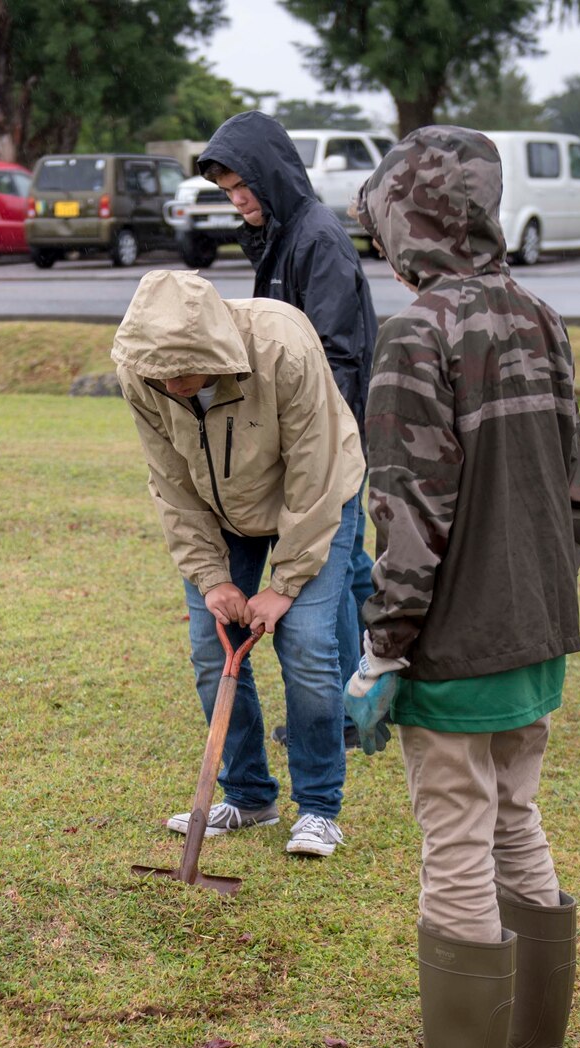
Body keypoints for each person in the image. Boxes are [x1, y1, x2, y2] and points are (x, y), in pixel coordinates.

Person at [340, 126, 580, 1048]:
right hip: (534, 625)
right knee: (512, 820)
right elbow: (577, 490)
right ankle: (534, 1047)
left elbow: (407, 509)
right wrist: (532, 595)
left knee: (454, 836)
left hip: (454, 639)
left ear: (410, 220)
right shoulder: (537, 315)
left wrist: (384, 647)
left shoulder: (417, 333)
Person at [112, 269, 364, 858]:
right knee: (210, 645)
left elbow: (316, 472)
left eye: (182, 372)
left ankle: (320, 808)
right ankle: (249, 796)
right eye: (159, 375)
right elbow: (171, 482)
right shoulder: (143, 374)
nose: (171, 386)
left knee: (303, 643)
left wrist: (286, 583)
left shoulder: (281, 345)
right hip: (223, 509)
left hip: (318, 495)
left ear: (214, 352)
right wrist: (213, 578)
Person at [198, 112, 378, 711]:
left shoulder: (316, 240)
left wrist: (324, 450)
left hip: (332, 440)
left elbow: (336, 356)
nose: (238, 199)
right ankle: (356, 698)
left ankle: (353, 704)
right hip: (303, 440)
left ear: (272, 175)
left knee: (344, 564)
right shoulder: (279, 236)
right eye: (227, 191)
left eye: (243, 184)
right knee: (349, 563)